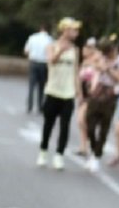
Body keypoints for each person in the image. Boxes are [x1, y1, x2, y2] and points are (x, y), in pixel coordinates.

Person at [36, 18, 82, 172]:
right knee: (48, 124)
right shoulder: (51, 46)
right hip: (52, 90)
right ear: (65, 30)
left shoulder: (75, 50)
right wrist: (61, 50)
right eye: (73, 30)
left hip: (67, 93)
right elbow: (51, 61)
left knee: (65, 126)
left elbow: (76, 71)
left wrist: (79, 91)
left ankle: (59, 155)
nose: (76, 33)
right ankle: (43, 151)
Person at [24, 23, 52, 114]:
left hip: (34, 62)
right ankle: (40, 106)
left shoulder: (32, 37)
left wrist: (30, 57)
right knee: (41, 86)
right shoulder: (49, 39)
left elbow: (26, 50)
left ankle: (30, 106)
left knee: (31, 86)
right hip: (44, 63)